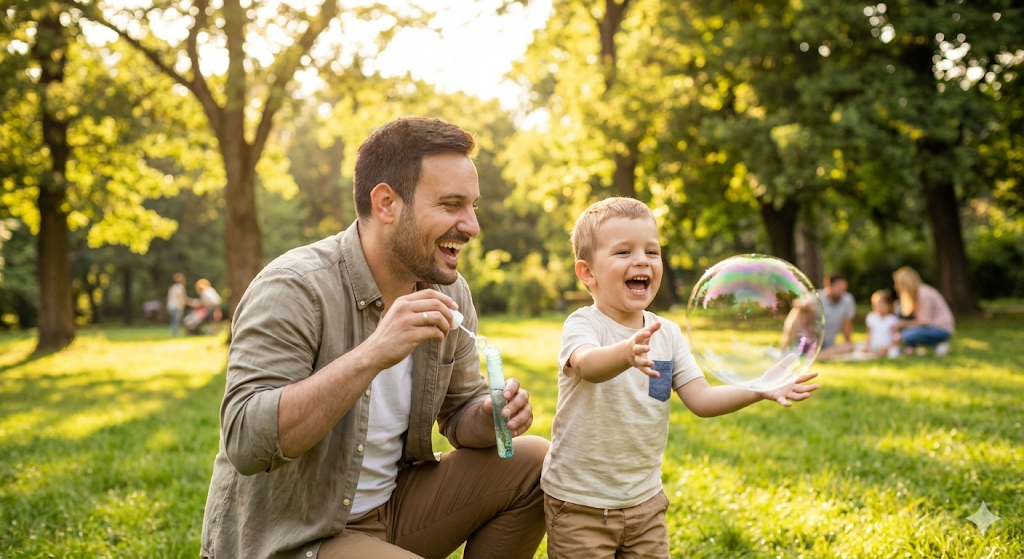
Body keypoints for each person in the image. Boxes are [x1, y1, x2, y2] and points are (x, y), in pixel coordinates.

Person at [200, 117, 547, 559]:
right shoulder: (294, 287)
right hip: (297, 534)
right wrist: (374, 353)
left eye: (472, 206)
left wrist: (491, 415)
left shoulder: (448, 291)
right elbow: (247, 440)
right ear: (386, 202)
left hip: (392, 513)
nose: (472, 225)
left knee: (536, 463)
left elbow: (459, 413)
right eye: (451, 204)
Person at [540, 197, 818, 559]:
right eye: (623, 252)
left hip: (645, 504)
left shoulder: (666, 333)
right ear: (587, 273)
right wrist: (625, 354)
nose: (641, 260)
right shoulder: (584, 324)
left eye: (651, 252)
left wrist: (758, 388)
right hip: (581, 505)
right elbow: (587, 365)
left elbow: (701, 399)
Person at [893, 266, 954, 356]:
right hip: (931, 327)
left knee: (907, 334)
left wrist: (901, 323)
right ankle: (911, 348)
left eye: (898, 283)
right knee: (907, 331)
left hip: (941, 329)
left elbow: (924, 321)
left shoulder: (923, 293)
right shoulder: (915, 296)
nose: (896, 287)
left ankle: (938, 344)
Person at [815, 272, 857, 360]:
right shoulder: (815, 298)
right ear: (828, 284)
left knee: (848, 346)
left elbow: (847, 325)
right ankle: (819, 355)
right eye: (839, 289)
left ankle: (818, 357)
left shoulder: (847, 300)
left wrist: (848, 343)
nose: (841, 292)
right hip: (812, 340)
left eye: (843, 289)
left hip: (829, 343)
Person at [864, 289, 901, 358]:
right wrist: (867, 345)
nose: (880, 307)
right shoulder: (871, 317)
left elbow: (895, 338)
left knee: (894, 352)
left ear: (889, 305)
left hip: (887, 346)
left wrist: (886, 348)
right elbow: (868, 333)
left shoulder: (892, 319)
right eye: (877, 304)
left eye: (882, 304)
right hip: (874, 345)